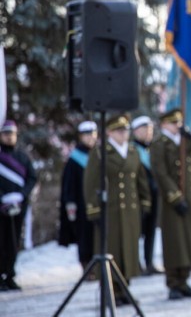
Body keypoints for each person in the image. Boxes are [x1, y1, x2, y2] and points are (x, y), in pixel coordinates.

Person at [83, 114, 151, 306]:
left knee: (128, 250)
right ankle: (111, 292)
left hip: (130, 211)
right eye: (120, 131)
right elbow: (90, 183)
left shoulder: (132, 151)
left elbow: (140, 180)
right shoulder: (99, 153)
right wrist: (94, 209)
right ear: (110, 132)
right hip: (110, 212)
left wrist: (145, 202)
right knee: (112, 249)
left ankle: (125, 289)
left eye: (126, 130)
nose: (124, 134)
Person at [150, 108, 191, 300]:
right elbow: (160, 173)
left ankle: (185, 281)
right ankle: (173, 284)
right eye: (173, 123)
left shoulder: (185, 139)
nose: (177, 126)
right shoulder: (158, 144)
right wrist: (175, 197)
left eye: (179, 123)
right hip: (172, 201)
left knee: (189, 241)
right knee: (175, 243)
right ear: (164, 124)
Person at [58, 120, 98, 279]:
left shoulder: (98, 155)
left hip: (97, 202)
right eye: (87, 135)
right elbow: (69, 185)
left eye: (93, 134)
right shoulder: (75, 159)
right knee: (84, 236)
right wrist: (71, 205)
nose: (90, 138)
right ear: (81, 137)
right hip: (81, 205)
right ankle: (87, 267)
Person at [0, 120, 37, 291]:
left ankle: (10, 274)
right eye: (6, 134)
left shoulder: (23, 157)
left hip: (18, 206)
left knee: (14, 242)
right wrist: (3, 198)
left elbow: (32, 178)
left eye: (12, 134)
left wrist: (21, 195)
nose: (9, 137)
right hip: (2, 207)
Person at [131, 115, 163, 275]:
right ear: (136, 131)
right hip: (138, 197)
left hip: (154, 195)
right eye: (145, 129)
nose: (148, 132)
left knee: (150, 230)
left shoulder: (152, 149)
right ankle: (135, 263)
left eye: (150, 129)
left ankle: (149, 262)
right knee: (136, 231)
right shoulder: (132, 150)